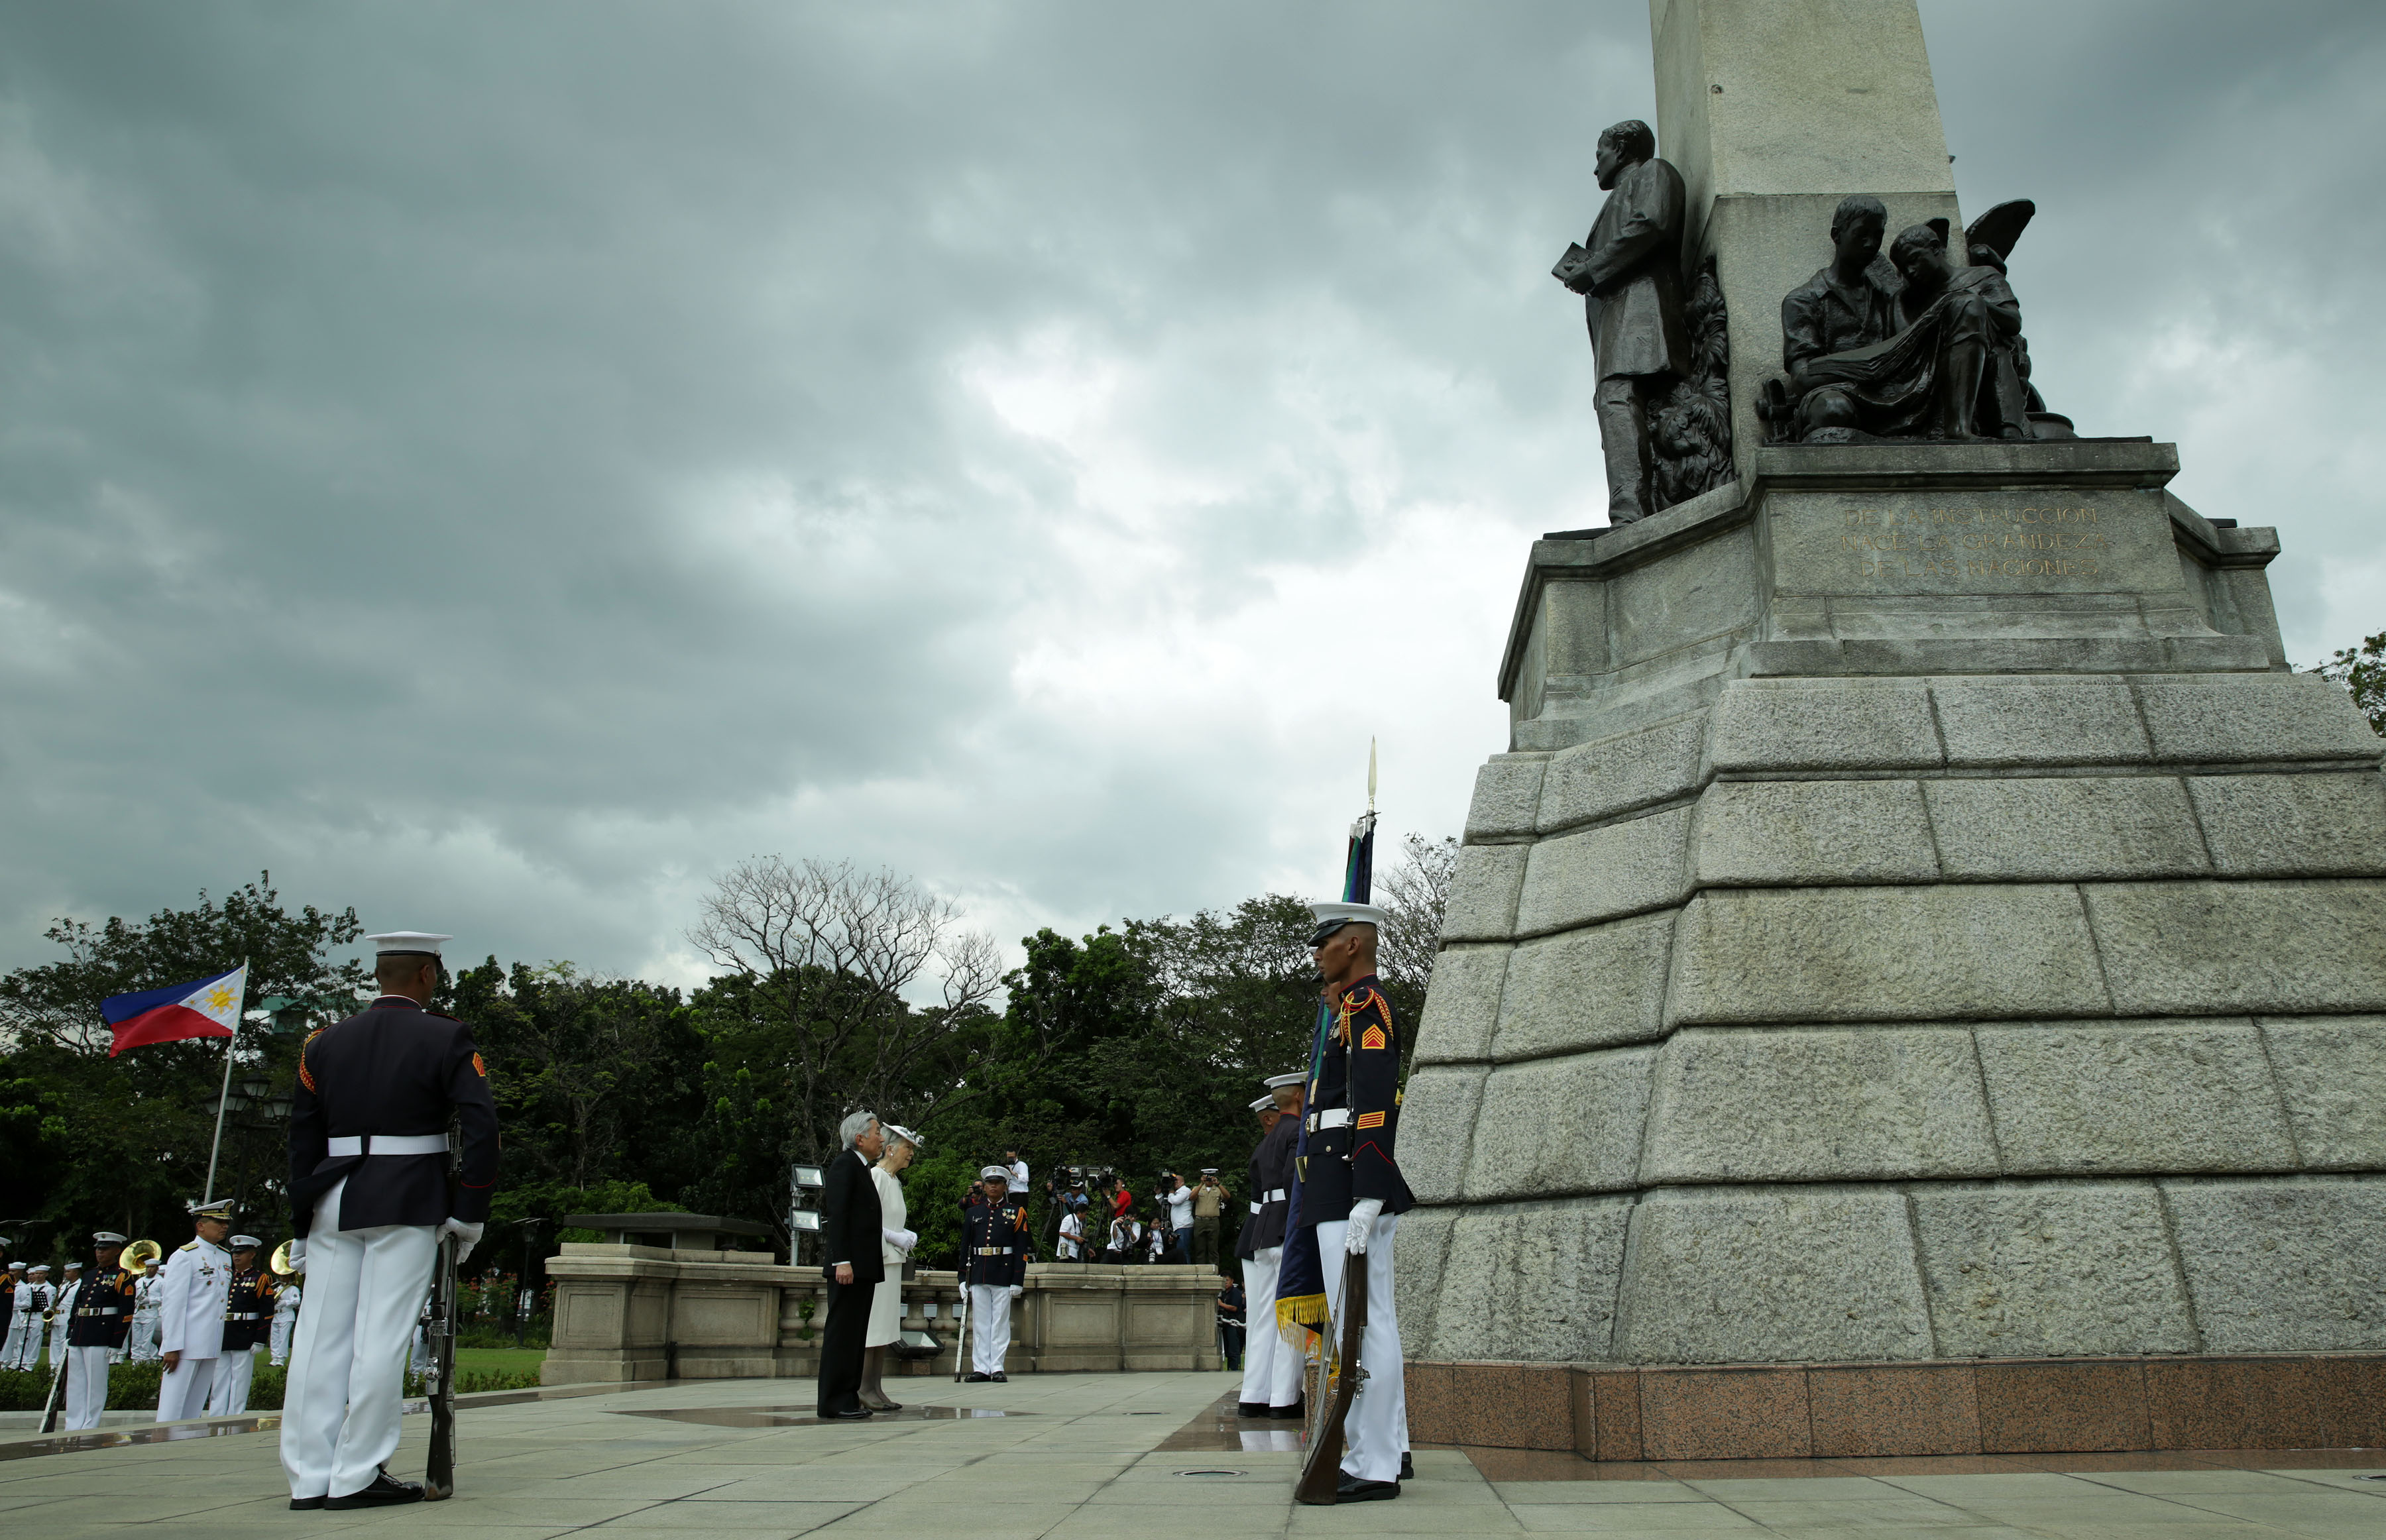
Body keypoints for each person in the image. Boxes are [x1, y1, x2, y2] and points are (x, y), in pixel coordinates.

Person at [280, 930, 500, 1510]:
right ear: (428, 974)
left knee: (318, 1341)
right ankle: (355, 1474)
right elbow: (480, 1126)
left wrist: (302, 1222)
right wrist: (468, 1212)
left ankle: (308, 1476)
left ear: (380, 975)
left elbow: (302, 1140)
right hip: (406, 1198)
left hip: (333, 1197)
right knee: (381, 1339)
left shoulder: (322, 1044)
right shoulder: (446, 1036)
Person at [1297, 901, 1417, 1502]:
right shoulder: (1346, 1009)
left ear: (1353, 945)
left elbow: (1373, 1107)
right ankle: (1389, 1447)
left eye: (1326, 942)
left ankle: (1373, 1465)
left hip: (1350, 1186)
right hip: (1334, 1185)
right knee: (1367, 1326)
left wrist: (1368, 1193)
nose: (1316, 953)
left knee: (1364, 1327)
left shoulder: (1367, 1008)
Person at [1554, 119, 1689, 525]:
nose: (1596, 166)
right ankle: (1637, 507)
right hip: (1623, 318)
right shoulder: (1620, 195)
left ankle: (1629, 515)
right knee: (1614, 403)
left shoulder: (1653, 172)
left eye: (1601, 154)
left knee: (1616, 400)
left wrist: (1592, 269)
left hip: (1640, 315)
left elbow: (1650, 224)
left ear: (1625, 148)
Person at [1237, 1072, 1305, 1420]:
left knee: (1263, 1317)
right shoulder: (1296, 1131)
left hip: (1262, 1231)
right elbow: (1295, 1181)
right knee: (1289, 1314)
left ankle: (1254, 1394)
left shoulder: (1265, 1143)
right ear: (1297, 1096)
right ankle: (1284, 1397)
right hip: (1284, 1229)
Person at [816, 1109, 885, 1419]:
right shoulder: (845, 1166)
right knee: (843, 1335)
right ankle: (834, 1402)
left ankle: (849, 1397)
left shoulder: (862, 1169)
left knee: (856, 1335)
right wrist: (842, 1261)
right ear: (860, 1138)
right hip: (849, 1268)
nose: (881, 1138)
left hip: (862, 1268)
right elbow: (839, 1217)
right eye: (877, 1133)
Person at [862, 1124, 921, 1412]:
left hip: (893, 1260)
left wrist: (903, 1234)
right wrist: (893, 1235)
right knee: (874, 1326)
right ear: (890, 1148)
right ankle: (864, 1387)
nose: (910, 1154)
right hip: (879, 1259)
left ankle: (876, 1386)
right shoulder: (877, 1176)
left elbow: (891, 1219)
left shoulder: (894, 1181)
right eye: (907, 1147)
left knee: (886, 1327)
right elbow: (868, 1221)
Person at [157, 1202, 235, 1419]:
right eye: (219, 1222)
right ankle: (162, 1445)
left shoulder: (224, 1256)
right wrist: (171, 1347)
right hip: (186, 1344)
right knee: (172, 1406)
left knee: (195, 1405)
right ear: (201, 1226)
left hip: (210, 1342)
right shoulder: (185, 1256)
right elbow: (174, 1304)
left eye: (226, 1223)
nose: (224, 1227)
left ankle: (185, 1443)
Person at [958, 1167, 1032, 1381]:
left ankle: (997, 1366)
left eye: (997, 1183)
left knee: (999, 1322)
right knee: (981, 1323)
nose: (993, 1186)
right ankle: (981, 1367)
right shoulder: (974, 1213)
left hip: (1003, 1271)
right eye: (989, 1183)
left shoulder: (1016, 1212)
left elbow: (1021, 1249)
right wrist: (962, 1277)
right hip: (980, 1271)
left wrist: (1018, 1279)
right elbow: (966, 1247)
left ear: (1004, 1186)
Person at [62, 1233, 136, 1431]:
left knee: (95, 1384)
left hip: (101, 1334)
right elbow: (77, 1306)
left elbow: (126, 1312)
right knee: (76, 1383)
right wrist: (70, 1332)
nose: (100, 1252)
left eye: (105, 1249)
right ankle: (73, 1423)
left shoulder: (123, 1276)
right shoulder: (88, 1274)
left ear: (116, 1251)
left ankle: (90, 1424)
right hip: (81, 1333)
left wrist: (116, 1342)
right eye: (98, 1248)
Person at [207, 1237, 269, 1415]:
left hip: (245, 1334)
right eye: (235, 1253)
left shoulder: (260, 1279)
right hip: (225, 1333)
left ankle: (235, 1415)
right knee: (219, 1379)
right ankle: (216, 1415)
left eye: (241, 1253)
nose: (237, 1257)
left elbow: (266, 1313)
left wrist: (260, 1339)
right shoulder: (226, 1277)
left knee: (240, 1380)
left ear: (252, 1254)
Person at [48, 1261, 82, 1372]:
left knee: (64, 1341)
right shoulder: (63, 1286)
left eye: (68, 1272)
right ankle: (53, 1366)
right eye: (65, 1272)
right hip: (57, 1316)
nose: (66, 1274)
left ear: (76, 1273)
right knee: (54, 1343)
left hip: (67, 1316)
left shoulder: (80, 1286)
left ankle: (61, 1366)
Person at [129, 1256, 164, 1363]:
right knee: (136, 1340)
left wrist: (150, 1300)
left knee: (146, 1340)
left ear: (157, 1268)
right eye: (148, 1267)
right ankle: (135, 1362)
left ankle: (144, 1362)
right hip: (138, 1312)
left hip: (150, 1312)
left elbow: (166, 1297)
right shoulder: (140, 1281)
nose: (149, 1269)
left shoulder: (161, 1282)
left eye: (152, 1267)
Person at [1190, 1170, 1229, 1267]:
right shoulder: (1197, 1188)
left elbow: (1227, 1196)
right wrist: (1201, 1184)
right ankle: (1200, 1270)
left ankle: (1214, 1269)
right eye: (1207, 1178)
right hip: (1200, 1221)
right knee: (1200, 1247)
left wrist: (1218, 1184)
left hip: (1213, 1221)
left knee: (1213, 1248)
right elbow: (1192, 1197)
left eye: (1211, 1178)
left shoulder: (1218, 1189)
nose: (1209, 1180)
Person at [270, 1266, 303, 1366]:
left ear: (289, 1277)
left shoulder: (293, 1289)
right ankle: (274, 1358)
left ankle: (281, 1359)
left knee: (283, 1338)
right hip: (276, 1315)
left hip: (286, 1314)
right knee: (274, 1337)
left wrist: (285, 1302)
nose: (282, 1279)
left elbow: (297, 1302)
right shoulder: (277, 1288)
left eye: (285, 1277)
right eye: (281, 1277)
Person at [1217, 1270, 1246, 1371]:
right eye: (1223, 1280)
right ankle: (1230, 1368)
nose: (1225, 1283)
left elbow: (1234, 1308)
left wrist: (1221, 1304)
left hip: (1234, 1323)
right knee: (1228, 1349)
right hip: (1225, 1323)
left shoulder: (1236, 1293)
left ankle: (1235, 1368)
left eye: (1227, 1280)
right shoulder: (1223, 1293)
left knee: (1234, 1349)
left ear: (1232, 1281)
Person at [1162, 1174, 1194, 1262]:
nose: (1175, 1182)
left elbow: (1175, 1201)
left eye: (1177, 1180)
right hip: (1179, 1226)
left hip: (1184, 1225)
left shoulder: (1185, 1190)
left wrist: (1171, 1194)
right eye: (1174, 1180)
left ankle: (1187, 1272)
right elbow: (1166, 1205)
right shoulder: (1176, 1193)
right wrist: (1160, 1194)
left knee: (1183, 1251)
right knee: (1180, 1251)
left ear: (1183, 1182)